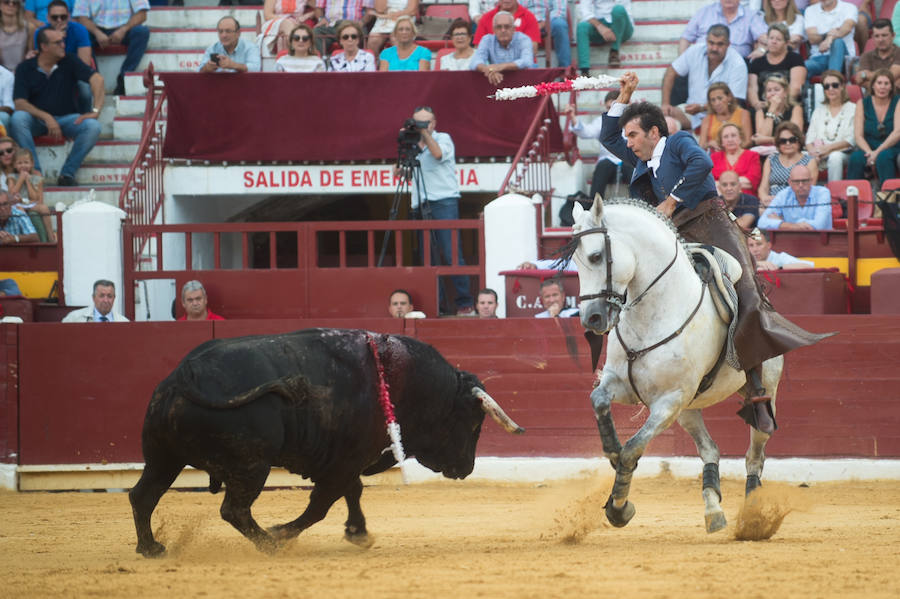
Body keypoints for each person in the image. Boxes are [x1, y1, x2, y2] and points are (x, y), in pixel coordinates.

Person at [601, 71, 829, 434]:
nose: (626, 143)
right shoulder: (641, 158)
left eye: (633, 135)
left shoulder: (678, 142)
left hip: (712, 224)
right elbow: (608, 136)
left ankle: (756, 385)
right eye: (627, 136)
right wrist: (624, 96)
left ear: (654, 133)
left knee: (745, 289)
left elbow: (703, 166)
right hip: (671, 234)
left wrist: (672, 202)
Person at [403, 106, 474, 316]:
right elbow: (404, 172)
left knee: (452, 253)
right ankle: (438, 305)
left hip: (444, 201)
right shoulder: (412, 143)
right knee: (428, 257)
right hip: (420, 203)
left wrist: (424, 133)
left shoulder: (443, 138)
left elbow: (437, 154)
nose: (421, 126)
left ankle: (464, 303)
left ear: (433, 123)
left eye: (425, 122)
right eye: (417, 122)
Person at [11, 28, 103, 187]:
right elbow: (19, 102)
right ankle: (35, 172)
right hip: (37, 120)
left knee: (93, 126)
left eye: (63, 41)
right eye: (58, 42)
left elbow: (97, 80)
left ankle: (67, 173)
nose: (63, 45)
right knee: (18, 118)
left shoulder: (70, 60)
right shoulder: (25, 67)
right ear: (44, 47)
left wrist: (95, 111)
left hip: (67, 118)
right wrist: (47, 117)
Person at [662, 24, 748, 131]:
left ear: (728, 44)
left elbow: (734, 101)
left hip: (722, 116)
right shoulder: (695, 51)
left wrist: (702, 108)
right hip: (690, 112)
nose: (715, 48)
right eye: (711, 43)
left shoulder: (738, 63)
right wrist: (665, 104)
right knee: (666, 119)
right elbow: (671, 72)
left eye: (720, 44)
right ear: (706, 41)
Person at [563, 90, 634, 201]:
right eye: (608, 108)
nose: (611, 111)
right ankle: (593, 206)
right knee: (602, 167)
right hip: (607, 160)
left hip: (628, 158)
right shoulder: (602, 121)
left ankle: (641, 205)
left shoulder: (634, 120)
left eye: (614, 107)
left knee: (634, 169)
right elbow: (586, 132)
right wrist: (572, 117)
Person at [74, 0, 150, 96]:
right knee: (81, 34)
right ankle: (95, 78)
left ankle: (124, 77)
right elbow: (81, 18)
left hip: (125, 28)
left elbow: (142, 15)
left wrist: (123, 30)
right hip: (95, 30)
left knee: (142, 32)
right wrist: (97, 33)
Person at [34, 1, 92, 114]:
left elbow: (85, 63)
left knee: (84, 89)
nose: (59, 20)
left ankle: (87, 117)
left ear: (69, 16)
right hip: (50, 70)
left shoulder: (80, 30)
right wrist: (56, 38)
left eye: (63, 17)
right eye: (55, 17)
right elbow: (42, 61)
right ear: (48, 18)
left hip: (76, 71)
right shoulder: (40, 33)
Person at [847, 68, 900, 184]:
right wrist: (870, 152)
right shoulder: (862, 103)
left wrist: (877, 153)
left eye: (886, 83)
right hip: (869, 147)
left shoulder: (898, 102)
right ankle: (851, 197)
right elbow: (858, 136)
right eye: (879, 83)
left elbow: (897, 132)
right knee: (856, 158)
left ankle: (888, 197)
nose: (882, 87)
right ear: (873, 86)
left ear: (891, 87)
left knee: (883, 157)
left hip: (892, 147)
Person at [806, 69, 855, 182]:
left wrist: (827, 149)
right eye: (826, 86)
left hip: (843, 153)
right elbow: (809, 139)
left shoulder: (853, 108)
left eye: (835, 85)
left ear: (842, 86)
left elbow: (851, 140)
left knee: (835, 157)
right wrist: (815, 153)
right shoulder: (818, 111)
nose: (831, 89)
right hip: (819, 153)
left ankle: (834, 195)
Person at [679, 0, 767, 59]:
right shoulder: (704, 12)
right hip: (704, 62)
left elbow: (766, 38)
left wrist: (761, 50)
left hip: (737, 66)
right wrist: (683, 61)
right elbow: (685, 38)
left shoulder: (751, 16)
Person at [747, 23, 806, 110]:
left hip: (787, 105)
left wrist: (778, 104)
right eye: (771, 38)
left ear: (786, 43)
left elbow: (796, 88)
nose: (773, 42)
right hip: (763, 106)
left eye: (778, 39)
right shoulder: (757, 62)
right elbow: (752, 88)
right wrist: (757, 104)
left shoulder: (795, 59)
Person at [758, 121, 818, 206]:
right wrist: (764, 198)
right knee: (758, 211)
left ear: (799, 141)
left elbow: (809, 189)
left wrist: (781, 200)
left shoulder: (809, 161)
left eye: (792, 140)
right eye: (783, 141)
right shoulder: (771, 159)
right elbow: (763, 187)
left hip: (796, 203)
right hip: (771, 203)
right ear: (778, 143)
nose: (788, 143)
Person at [759, 164, 833, 230]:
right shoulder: (783, 195)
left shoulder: (823, 193)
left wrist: (783, 223)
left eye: (804, 181)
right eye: (796, 181)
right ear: (790, 182)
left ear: (811, 181)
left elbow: (819, 225)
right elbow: (761, 223)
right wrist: (794, 226)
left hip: (821, 242)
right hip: (791, 242)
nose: (800, 185)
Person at [470, 10, 534, 85]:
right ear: (494, 30)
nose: (503, 30)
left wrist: (501, 66)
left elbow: (527, 61)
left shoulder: (524, 39)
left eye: (507, 27)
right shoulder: (487, 40)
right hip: (496, 80)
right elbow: (474, 62)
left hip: (522, 82)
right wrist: (489, 70)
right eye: (499, 27)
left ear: (514, 29)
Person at [803, 0, 858, 79]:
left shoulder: (849, 7)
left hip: (843, 58)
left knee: (837, 42)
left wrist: (830, 39)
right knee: (800, 68)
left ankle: (832, 80)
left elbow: (846, 28)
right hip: (819, 58)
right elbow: (812, 38)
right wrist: (828, 36)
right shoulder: (810, 10)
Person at [576, 0, 633, 73]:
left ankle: (614, 51)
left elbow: (623, 12)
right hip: (601, 25)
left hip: (623, 28)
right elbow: (584, 10)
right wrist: (600, 26)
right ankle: (585, 71)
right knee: (582, 26)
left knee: (618, 9)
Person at [8, 148, 53, 241]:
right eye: (19, 163)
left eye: (26, 162)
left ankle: (50, 235)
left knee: (44, 208)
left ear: (32, 164)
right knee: (19, 208)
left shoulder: (36, 178)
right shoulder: (12, 177)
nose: (23, 165)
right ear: (14, 165)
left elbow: (36, 198)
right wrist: (20, 179)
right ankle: (29, 232)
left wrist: (28, 181)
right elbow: (12, 195)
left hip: (29, 203)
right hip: (16, 205)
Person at [751, 74, 804, 151]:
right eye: (769, 90)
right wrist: (772, 109)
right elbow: (761, 138)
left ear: (785, 92)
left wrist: (768, 140)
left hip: (790, 150)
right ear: (765, 95)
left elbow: (794, 138)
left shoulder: (796, 109)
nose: (772, 93)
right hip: (766, 153)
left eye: (776, 90)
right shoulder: (760, 111)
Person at [698, 82, 752, 151]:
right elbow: (701, 146)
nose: (717, 103)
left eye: (720, 98)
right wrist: (709, 144)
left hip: (739, 156)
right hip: (715, 157)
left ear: (729, 97)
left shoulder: (743, 114)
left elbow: (748, 142)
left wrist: (729, 149)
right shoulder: (707, 119)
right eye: (713, 100)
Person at [711, 123, 761, 195]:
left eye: (733, 135)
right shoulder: (714, 157)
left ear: (740, 138)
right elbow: (711, 183)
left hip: (746, 198)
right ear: (721, 142)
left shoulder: (752, 155)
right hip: (720, 199)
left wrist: (722, 184)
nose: (730, 139)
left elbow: (752, 181)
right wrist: (739, 182)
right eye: (726, 137)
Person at [473, 0, 540, 50]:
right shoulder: (486, 18)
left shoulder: (529, 17)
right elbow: (478, 48)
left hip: (522, 66)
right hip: (493, 65)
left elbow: (532, 49)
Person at [522, 0, 571, 68]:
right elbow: (517, 8)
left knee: (560, 25)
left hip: (550, 20)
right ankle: (525, 69)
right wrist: (531, 23)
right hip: (526, 21)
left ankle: (565, 69)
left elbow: (559, 10)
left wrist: (544, 22)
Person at [854, 18, 900, 86]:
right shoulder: (866, 56)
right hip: (871, 96)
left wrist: (866, 75)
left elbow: (891, 76)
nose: (880, 40)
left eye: (884, 35)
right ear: (872, 37)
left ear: (893, 36)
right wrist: (892, 83)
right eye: (877, 36)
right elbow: (860, 81)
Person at [61, 279, 129, 322]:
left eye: (109, 296)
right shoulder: (74, 318)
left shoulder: (124, 322)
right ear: (93, 298)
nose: (106, 300)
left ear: (114, 298)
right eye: (101, 296)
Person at [748, 228, 814, 269]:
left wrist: (779, 268)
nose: (755, 249)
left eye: (759, 244)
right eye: (751, 245)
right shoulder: (746, 260)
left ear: (768, 245)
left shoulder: (780, 258)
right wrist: (757, 263)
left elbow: (809, 266)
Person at [0, 0, 34, 73]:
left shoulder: (29, 28)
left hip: (22, 72)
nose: (11, 5)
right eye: (6, 2)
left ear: (19, 6)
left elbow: (30, 52)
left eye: (15, 3)